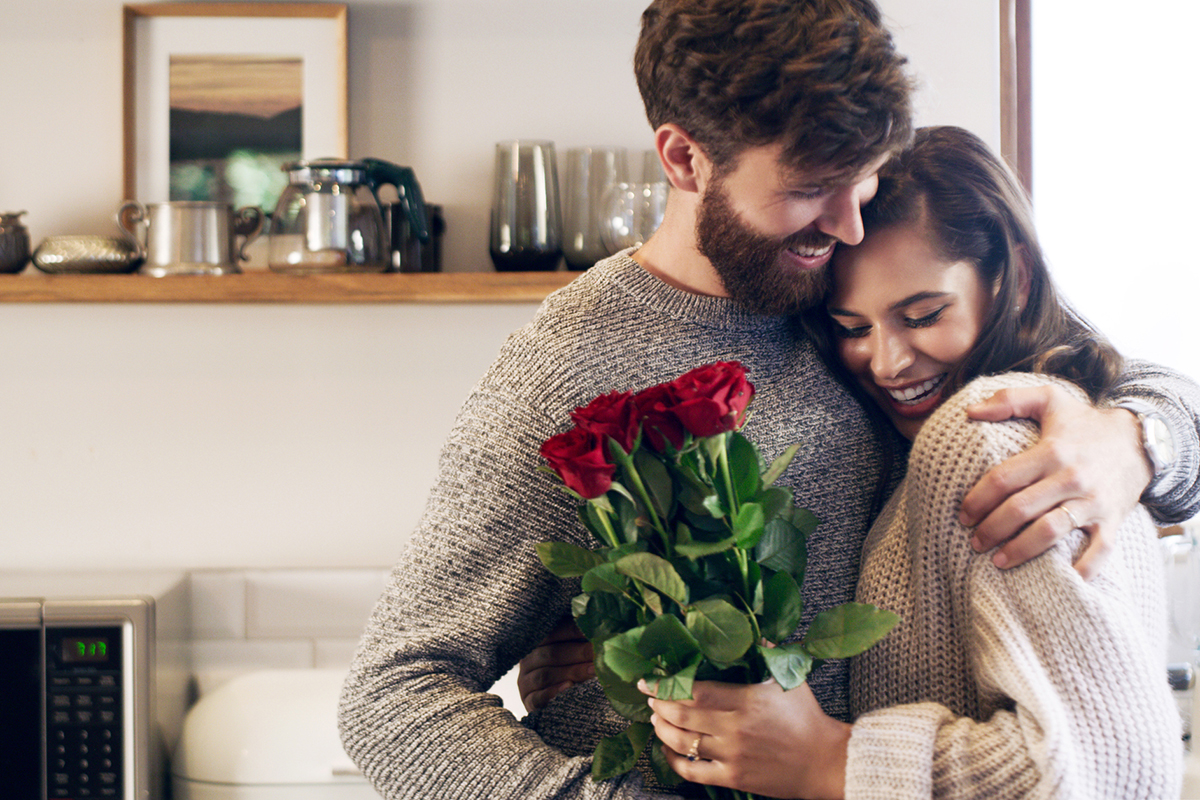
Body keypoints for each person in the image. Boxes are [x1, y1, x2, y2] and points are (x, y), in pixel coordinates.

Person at [338, 1, 1200, 798]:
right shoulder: (566, 373)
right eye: (810, 186)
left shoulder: (856, 284)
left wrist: (1137, 438)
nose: (851, 223)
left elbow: (1070, 365)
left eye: (861, 178)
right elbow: (392, 697)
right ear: (683, 157)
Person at [633, 126, 1182, 799]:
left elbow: (1115, 770)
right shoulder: (916, 441)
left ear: (1016, 275)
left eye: (922, 315)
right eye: (853, 328)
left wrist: (833, 761)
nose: (887, 363)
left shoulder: (991, 435)